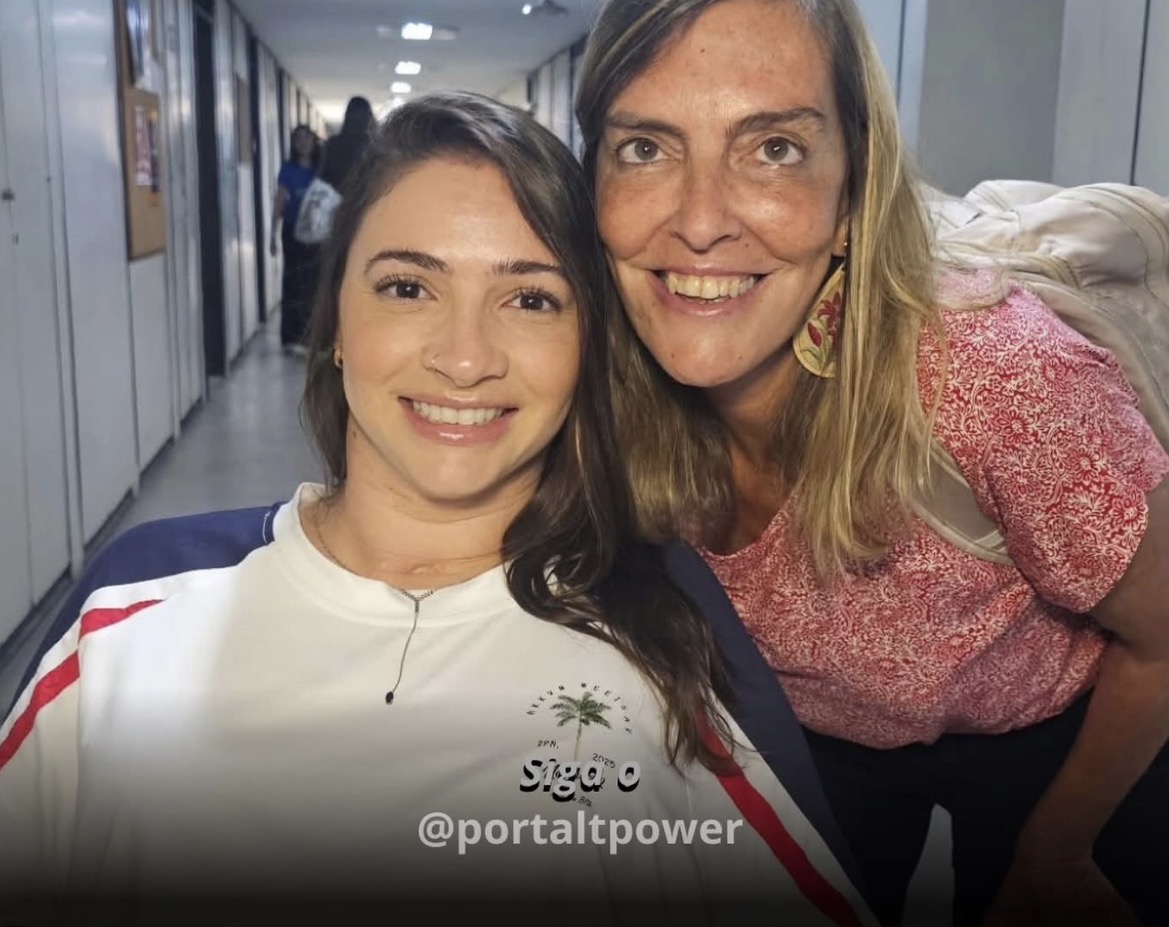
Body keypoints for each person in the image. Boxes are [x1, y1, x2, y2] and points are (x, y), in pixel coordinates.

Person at [0, 92, 873, 925]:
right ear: (334, 320)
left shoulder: (663, 635)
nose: (464, 358)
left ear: (586, 347)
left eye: (530, 299)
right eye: (408, 287)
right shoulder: (129, 609)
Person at [574, 1, 1169, 926]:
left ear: (852, 191)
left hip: (1057, 724)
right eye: (644, 147)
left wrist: (1055, 849)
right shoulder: (589, 387)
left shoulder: (998, 378)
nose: (699, 222)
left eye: (773, 148)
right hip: (821, 731)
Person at [271, 124, 322, 353]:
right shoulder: (288, 169)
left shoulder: (320, 169)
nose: (303, 144)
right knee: (292, 281)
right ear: (293, 144)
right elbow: (279, 200)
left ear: (313, 142)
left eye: (307, 139)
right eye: (298, 139)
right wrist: (272, 234)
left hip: (315, 233)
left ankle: (310, 335)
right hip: (292, 231)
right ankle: (290, 337)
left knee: (312, 283)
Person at [318, 95, 375, 195]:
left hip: (336, 197)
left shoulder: (333, 143)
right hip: (365, 197)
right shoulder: (373, 144)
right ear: (368, 117)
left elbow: (323, 175)